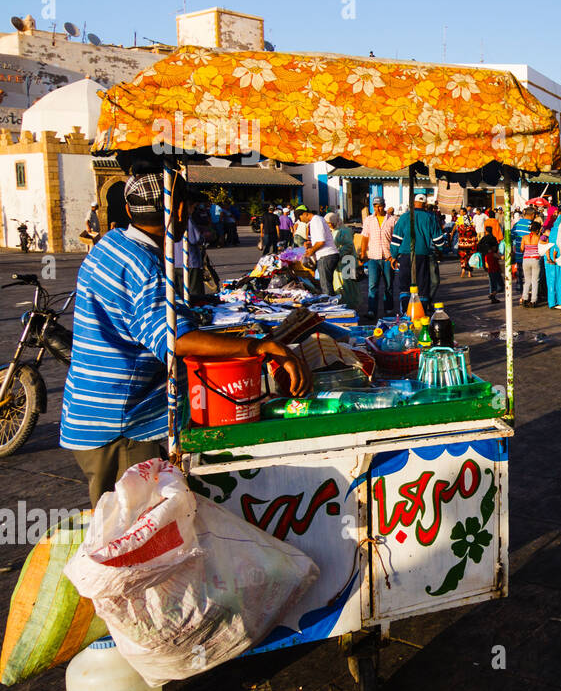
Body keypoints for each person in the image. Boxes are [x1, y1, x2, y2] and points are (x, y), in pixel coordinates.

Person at [60, 173, 309, 506]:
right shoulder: (144, 264)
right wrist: (260, 346)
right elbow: (177, 340)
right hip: (121, 424)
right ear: (178, 211)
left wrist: (188, 304)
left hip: (90, 411)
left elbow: (137, 314)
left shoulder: (112, 243)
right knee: (138, 534)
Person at [390, 194, 445, 313]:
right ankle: (421, 313)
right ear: (425, 205)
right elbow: (438, 240)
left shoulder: (404, 217)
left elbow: (396, 239)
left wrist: (393, 256)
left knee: (405, 285)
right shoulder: (430, 218)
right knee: (422, 285)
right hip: (422, 255)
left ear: (413, 203)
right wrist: (441, 251)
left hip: (405, 255)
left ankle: (406, 312)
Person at [358, 195, 395, 322]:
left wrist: (394, 256)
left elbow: (396, 239)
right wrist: (362, 254)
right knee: (372, 285)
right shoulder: (369, 220)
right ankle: (371, 311)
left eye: (379, 206)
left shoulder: (392, 220)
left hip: (387, 257)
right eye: (375, 206)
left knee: (388, 285)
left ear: (384, 206)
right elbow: (365, 237)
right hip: (373, 257)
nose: (377, 208)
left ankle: (388, 309)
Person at [300, 205, 340, 296]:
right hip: (327, 255)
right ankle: (332, 304)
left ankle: (331, 307)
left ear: (305, 214)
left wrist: (311, 251)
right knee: (326, 285)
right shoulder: (315, 221)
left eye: (300, 218)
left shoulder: (316, 221)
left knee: (326, 287)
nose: (301, 221)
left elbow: (321, 241)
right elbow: (320, 239)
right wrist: (310, 244)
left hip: (326, 256)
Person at [330, 212, 362, 312]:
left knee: (348, 285)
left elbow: (348, 246)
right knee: (340, 283)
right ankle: (344, 305)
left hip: (347, 261)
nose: (328, 224)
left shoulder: (344, 231)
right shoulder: (334, 231)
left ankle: (351, 306)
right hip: (340, 262)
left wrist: (337, 253)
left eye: (329, 222)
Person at [543, 210, 561, 310]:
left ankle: (552, 302)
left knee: (551, 280)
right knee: (560, 280)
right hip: (558, 257)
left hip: (549, 258)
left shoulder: (551, 231)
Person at [478, 227, 503, 303]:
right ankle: (493, 295)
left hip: (487, 262)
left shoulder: (483, 239)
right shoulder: (493, 239)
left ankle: (492, 295)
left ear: (486, 231)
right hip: (494, 265)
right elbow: (499, 255)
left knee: (492, 281)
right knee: (497, 283)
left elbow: (479, 247)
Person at [520, 221, 543, 307]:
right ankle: (533, 300)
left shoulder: (524, 237)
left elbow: (521, 249)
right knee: (535, 281)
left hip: (525, 260)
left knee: (527, 281)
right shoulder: (538, 238)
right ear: (537, 230)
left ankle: (524, 298)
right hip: (535, 260)